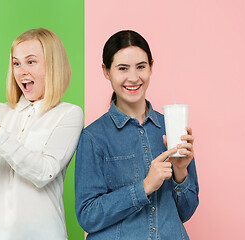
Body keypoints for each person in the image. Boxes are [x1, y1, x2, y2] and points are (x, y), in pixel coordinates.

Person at [0, 28, 84, 240]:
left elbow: (44, 173)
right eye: (16, 63)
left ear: (53, 65)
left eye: (31, 62)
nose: (21, 71)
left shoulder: (68, 114)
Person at [75, 30, 199, 239]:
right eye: (122, 68)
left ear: (151, 66)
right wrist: (144, 187)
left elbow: (185, 213)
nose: (133, 78)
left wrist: (180, 173)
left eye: (141, 66)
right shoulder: (93, 137)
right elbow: (87, 215)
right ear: (106, 71)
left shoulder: (172, 127)